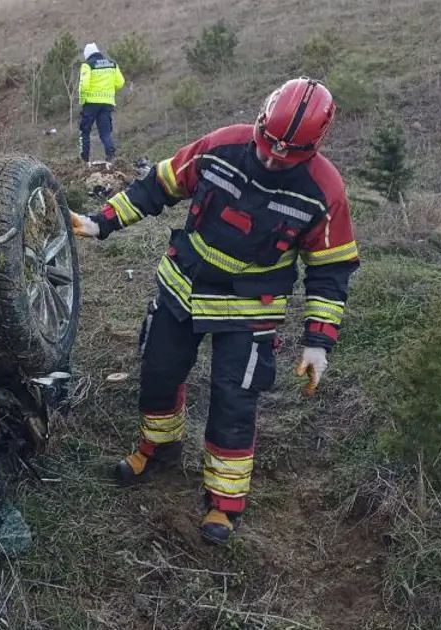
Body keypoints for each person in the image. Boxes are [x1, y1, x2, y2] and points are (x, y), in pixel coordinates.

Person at [69, 78, 360, 545]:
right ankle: (159, 447)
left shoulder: (325, 191)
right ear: (261, 121)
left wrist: (318, 342)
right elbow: (158, 185)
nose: (269, 159)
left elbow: (331, 270)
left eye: (285, 156)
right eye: (266, 145)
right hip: (183, 287)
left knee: (234, 399)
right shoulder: (221, 146)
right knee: (159, 372)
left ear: (312, 148)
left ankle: (224, 503)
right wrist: (100, 221)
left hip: (251, 311)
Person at [78, 42, 126, 163]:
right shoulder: (112, 64)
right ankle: (111, 157)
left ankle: (84, 159)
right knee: (105, 132)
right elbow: (120, 83)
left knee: (85, 131)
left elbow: (84, 86)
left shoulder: (87, 65)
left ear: (87, 55)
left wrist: (82, 101)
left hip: (91, 104)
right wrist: (108, 89)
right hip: (107, 103)